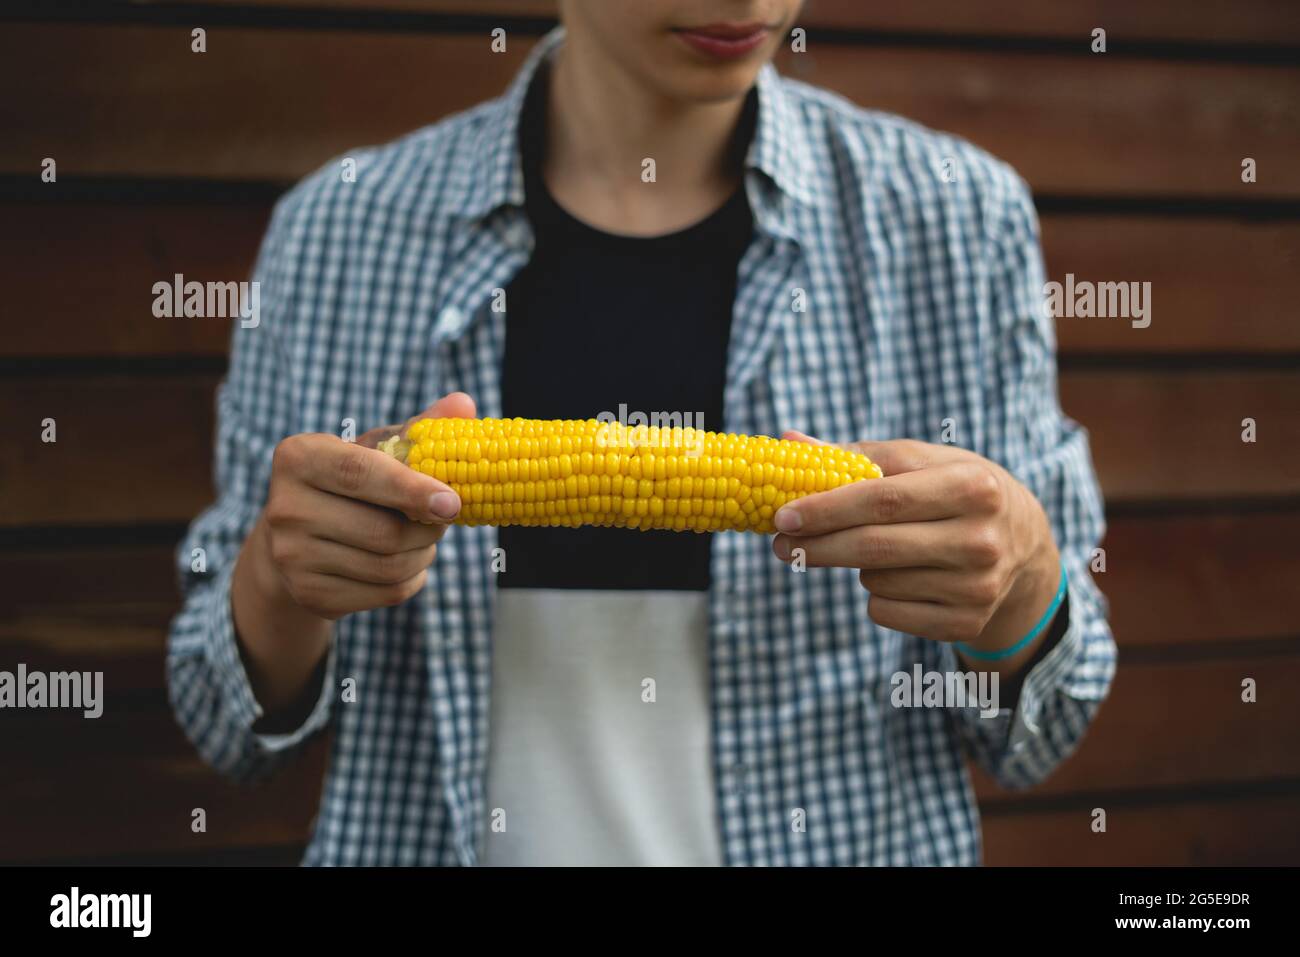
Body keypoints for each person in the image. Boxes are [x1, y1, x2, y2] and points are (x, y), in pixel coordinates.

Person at [167, 0, 1116, 866]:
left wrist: (1026, 581)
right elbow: (225, 730)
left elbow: (1039, 736)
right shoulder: (337, 232)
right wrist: (278, 585)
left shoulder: (958, 220)